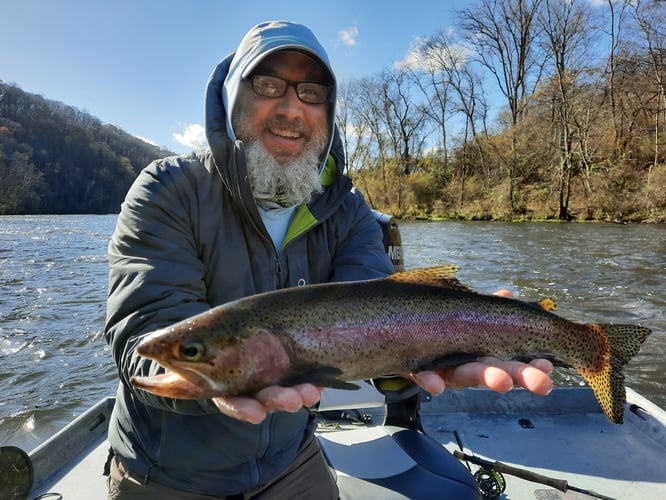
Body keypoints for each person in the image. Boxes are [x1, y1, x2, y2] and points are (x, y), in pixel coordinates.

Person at [104, 20, 553, 499]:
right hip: (168, 473)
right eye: (268, 84)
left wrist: (420, 359)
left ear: (329, 111)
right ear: (234, 98)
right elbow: (144, 334)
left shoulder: (350, 211)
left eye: (312, 92)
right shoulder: (169, 190)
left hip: (289, 458)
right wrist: (220, 384)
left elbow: (379, 312)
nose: (292, 108)